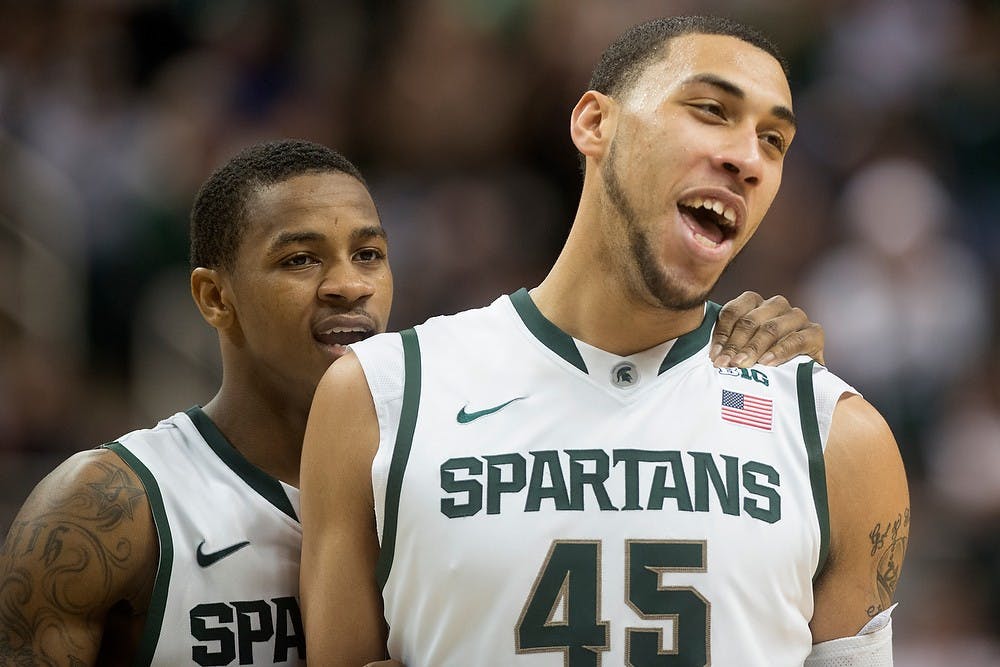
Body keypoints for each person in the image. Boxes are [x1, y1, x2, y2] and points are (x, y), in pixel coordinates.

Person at [0, 136, 822, 666]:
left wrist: (767, 364)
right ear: (214, 298)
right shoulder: (109, 509)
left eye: (369, 252)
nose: (349, 285)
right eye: (299, 259)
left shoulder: (468, 455)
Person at [299, 15, 908, 667]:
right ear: (596, 124)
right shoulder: (378, 395)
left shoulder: (838, 438)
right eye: (710, 110)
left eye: (774, 139)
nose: (747, 158)